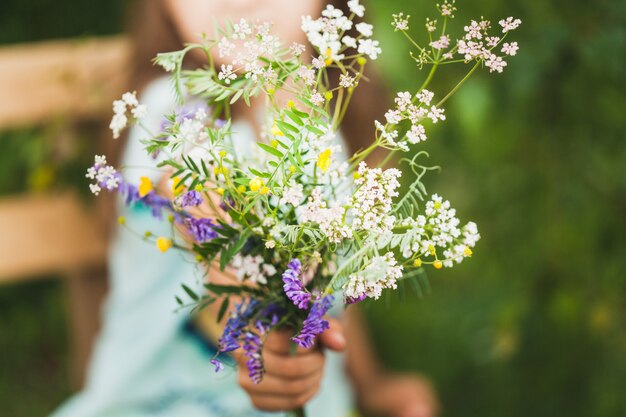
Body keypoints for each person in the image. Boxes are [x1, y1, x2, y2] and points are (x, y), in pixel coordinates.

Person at [52, 1, 439, 416]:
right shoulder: (171, 109)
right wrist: (249, 305)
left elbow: (328, 280)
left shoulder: (331, 113)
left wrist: (370, 384)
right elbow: (198, 194)